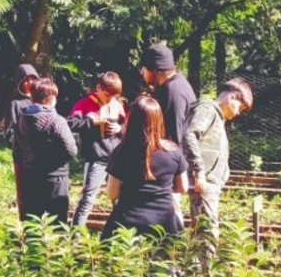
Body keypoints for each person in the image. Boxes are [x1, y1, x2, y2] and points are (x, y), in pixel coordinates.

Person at [183, 77, 254, 254]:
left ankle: (198, 273)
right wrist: (198, 171)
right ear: (232, 98)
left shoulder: (217, 117)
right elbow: (190, 135)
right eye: (240, 107)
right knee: (207, 233)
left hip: (210, 183)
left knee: (203, 231)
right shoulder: (207, 108)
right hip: (203, 183)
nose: (238, 113)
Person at [102, 96, 189, 239]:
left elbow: (112, 193)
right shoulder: (173, 151)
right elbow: (183, 187)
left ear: (132, 119)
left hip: (127, 225)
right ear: (158, 119)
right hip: (165, 224)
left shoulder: (122, 152)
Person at [67, 72, 126, 228]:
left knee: (119, 198)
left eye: (114, 96)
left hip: (117, 158)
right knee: (88, 197)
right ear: (98, 88)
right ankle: (76, 234)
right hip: (96, 158)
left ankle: (119, 232)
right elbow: (70, 123)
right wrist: (91, 120)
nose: (110, 98)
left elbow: (128, 127)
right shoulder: (84, 104)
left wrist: (120, 128)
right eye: (107, 95)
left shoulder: (117, 105)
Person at [17, 78, 77, 224]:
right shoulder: (56, 121)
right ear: (51, 98)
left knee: (33, 222)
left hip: (30, 175)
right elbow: (71, 150)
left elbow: (18, 144)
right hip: (55, 178)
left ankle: (32, 247)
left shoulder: (23, 118)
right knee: (58, 224)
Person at [140, 44, 196, 146]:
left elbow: (174, 138)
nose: (142, 73)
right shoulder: (171, 86)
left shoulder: (173, 92)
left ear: (155, 70)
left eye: (143, 69)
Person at [3, 64, 39, 216]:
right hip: (22, 157)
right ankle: (26, 227)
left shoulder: (43, 101)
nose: (30, 83)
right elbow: (9, 132)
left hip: (41, 156)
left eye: (33, 79)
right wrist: (22, 145)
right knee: (25, 193)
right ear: (19, 83)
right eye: (25, 80)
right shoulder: (15, 104)